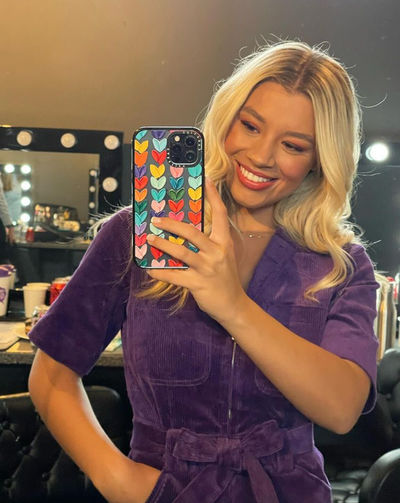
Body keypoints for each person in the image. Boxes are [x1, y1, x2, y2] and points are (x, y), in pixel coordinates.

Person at [28, 40, 378, 503]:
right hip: (164, 490)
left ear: (319, 159)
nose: (261, 155)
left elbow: (341, 409)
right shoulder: (141, 234)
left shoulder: (340, 265)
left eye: (293, 145)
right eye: (250, 125)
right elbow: (51, 372)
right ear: (227, 118)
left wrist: (234, 305)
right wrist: (117, 479)